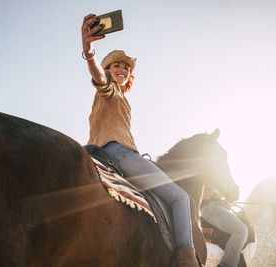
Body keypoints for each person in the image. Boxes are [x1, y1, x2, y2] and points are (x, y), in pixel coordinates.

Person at [81, 14, 199, 267]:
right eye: (116, 66)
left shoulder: (120, 97)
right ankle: (187, 258)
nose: (122, 70)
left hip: (97, 153)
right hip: (120, 154)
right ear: (109, 71)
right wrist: (89, 51)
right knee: (181, 198)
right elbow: (99, 78)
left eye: (126, 68)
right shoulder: (109, 89)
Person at [201, 185, 248, 267]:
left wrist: (233, 191)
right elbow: (195, 195)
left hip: (224, 208)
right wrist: (215, 193)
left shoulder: (223, 176)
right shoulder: (207, 176)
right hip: (211, 207)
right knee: (241, 230)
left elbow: (235, 196)